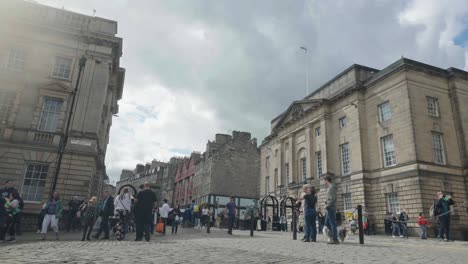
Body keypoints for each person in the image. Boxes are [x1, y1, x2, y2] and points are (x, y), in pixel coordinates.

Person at [322, 175, 339, 244]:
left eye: (323, 180)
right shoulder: (329, 188)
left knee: (332, 223)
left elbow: (333, 199)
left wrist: (327, 205)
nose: (322, 182)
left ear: (326, 180)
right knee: (326, 223)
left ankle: (335, 239)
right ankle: (333, 236)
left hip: (330, 208)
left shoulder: (331, 188)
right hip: (329, 208)